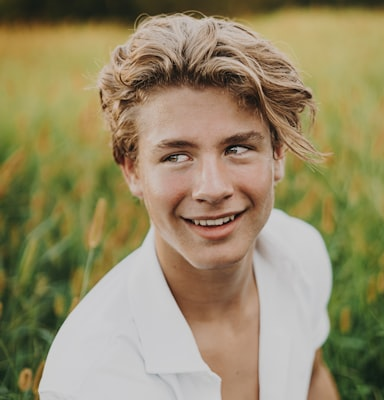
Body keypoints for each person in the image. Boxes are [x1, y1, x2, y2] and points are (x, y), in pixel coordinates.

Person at [39, 13, 340, 400]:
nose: (212, 189)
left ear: (277, 154)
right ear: (132, 171)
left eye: (237, 148)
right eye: (176, 156)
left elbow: (312, 377)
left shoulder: (301, 253)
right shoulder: (95, 375)